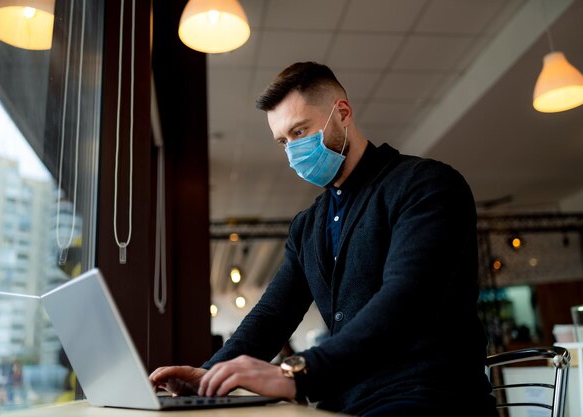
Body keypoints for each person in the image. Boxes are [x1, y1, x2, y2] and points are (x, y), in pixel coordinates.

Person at [150, 62, 498, 417]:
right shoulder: (307, 227)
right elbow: (273, 316)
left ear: (342, 113)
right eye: (283, 141)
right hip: (344, 403)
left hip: (430, 397)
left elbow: (406, 299)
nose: (292, 152)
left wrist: (298, 374)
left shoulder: (425, 185)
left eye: (299, 132)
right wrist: (209, 374)